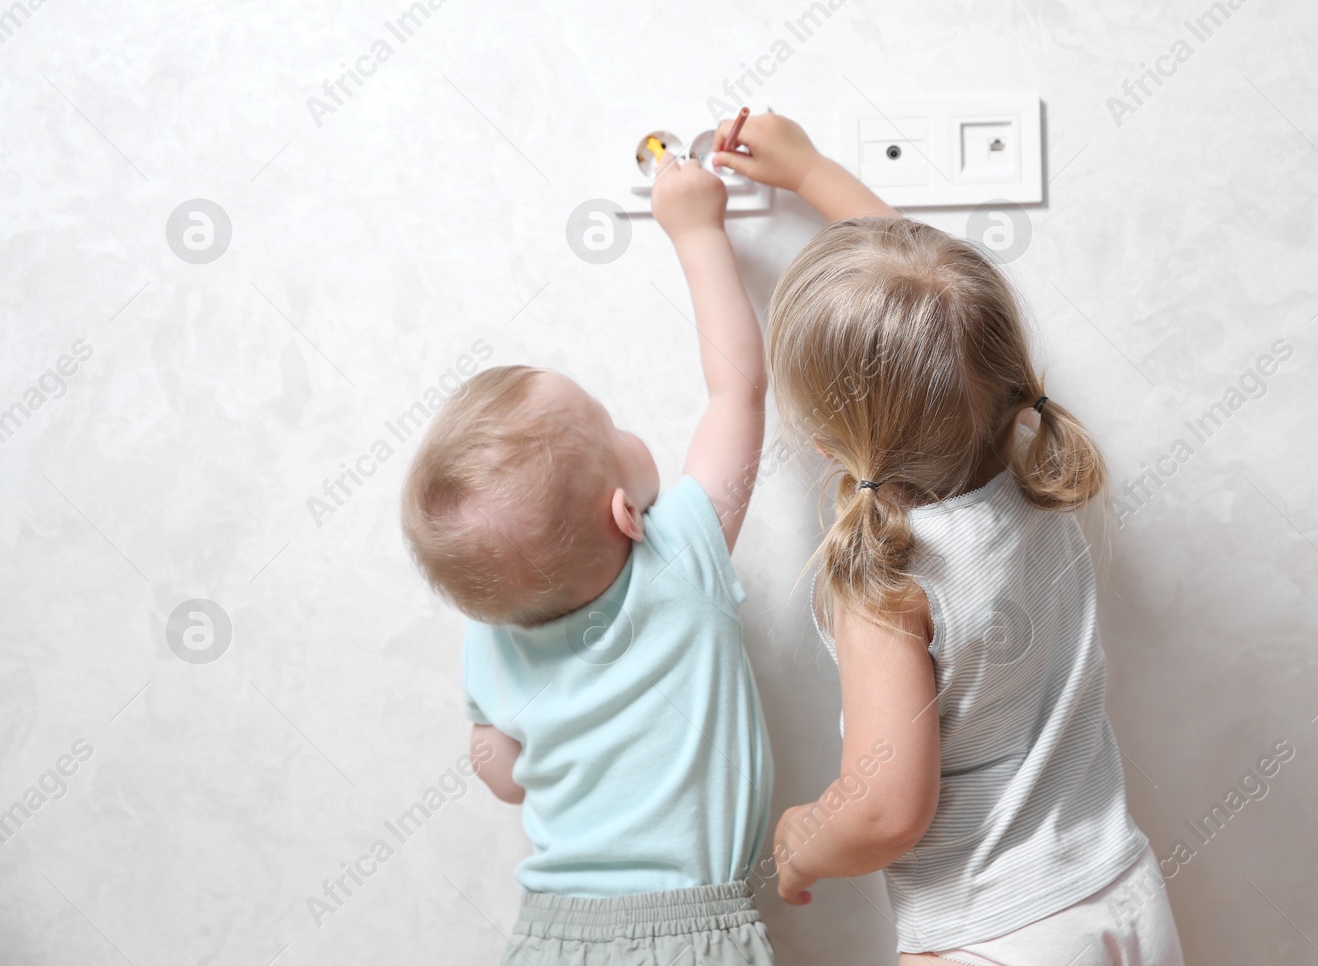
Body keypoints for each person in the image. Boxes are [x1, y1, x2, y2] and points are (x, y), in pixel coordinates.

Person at [714, 113, 1184, 965]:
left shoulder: (888, 580)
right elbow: (935, 299)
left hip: (998, 933)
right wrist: (814, 170)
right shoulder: (1038, 479)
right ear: (1001, 369)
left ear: (824, 441)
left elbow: (887, 809)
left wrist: (802, 837)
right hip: (1124, 894)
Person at [400, 154, 775, 965]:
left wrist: (504, 747)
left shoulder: (489, 636)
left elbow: (503, 772)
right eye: (612, 425)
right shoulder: (681, 558)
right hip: (685, 937)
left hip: (549, 937)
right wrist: (696, 228)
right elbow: (738, 390)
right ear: (626, 512)